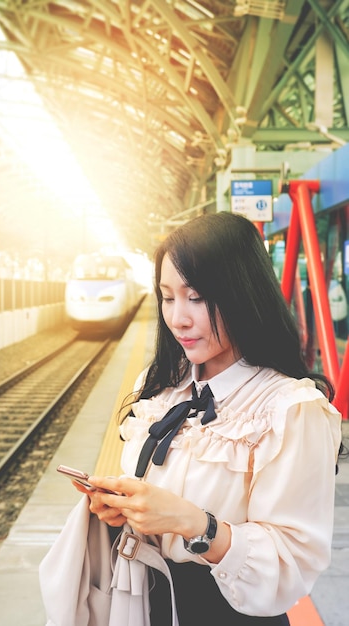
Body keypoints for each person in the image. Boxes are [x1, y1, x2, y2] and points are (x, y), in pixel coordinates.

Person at [74, 212, 343, 625]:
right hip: (142, 603)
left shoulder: (289, 409)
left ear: (242, 293)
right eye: (167, 296)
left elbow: (292, 563)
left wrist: (192, 522)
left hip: (228, 614)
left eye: (195, 296)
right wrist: (123, 509)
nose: (178, 317)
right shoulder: (162, 384)